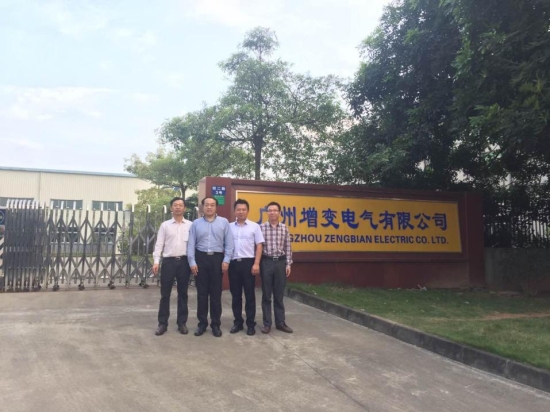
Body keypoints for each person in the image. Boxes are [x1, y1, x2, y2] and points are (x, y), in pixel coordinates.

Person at [188, 197, 234, 337]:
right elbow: (191, 244)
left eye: (212, 205)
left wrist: (226, 260)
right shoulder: (196, 223)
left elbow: (229, 243)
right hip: (200, 258)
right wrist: (192, 262)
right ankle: (202, 324)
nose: (209, 207)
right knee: (202, 294)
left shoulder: (224, 222)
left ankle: (215, 325)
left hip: (217, 259)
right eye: (206, 205)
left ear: (216, 207)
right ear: (202, 206)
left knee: (215, 294)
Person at [153, 197, 193, 336]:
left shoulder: (190, 225)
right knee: (165, 294)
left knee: (183, 293)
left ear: (184, 208)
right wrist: (156, 261)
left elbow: (193, 245)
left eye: (180, 205)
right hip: (168, 262)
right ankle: (162, 324)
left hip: (184, 262)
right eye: (175, 205)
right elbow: (159, 244)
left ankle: (182, 323)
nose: (178, 207)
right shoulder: (165, 225)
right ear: (171, 208)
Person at [228, 199, 265, 336]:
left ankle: (250, 324)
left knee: (249, 295)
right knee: (235, 295)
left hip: (249, 263)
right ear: (234, 211)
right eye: (238, 209)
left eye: (244, 209)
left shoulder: (254, 226)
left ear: (248, 211)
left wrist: (256, 263)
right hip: (233, 264)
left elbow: (259, 245)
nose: (241, 212)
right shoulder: (229, 227)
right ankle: (238, 322)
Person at [259, 201, 293, 334]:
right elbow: (258, 247)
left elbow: (288, 247)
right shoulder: (261, 228)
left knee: (279, 295)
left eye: (275, 210)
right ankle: (267, 323)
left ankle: (280, 323)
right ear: (267, 213)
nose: (272, 212)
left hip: (280, 263)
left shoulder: (284, 228)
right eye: (270, 210)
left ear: (279, 213)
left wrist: (288, 264)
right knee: (266, 295)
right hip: (266, 262)